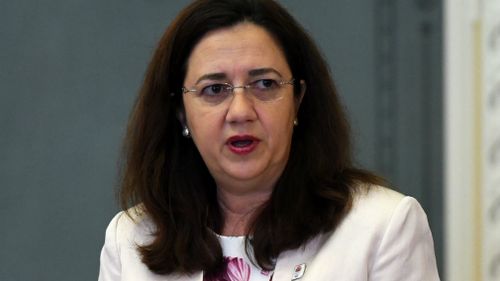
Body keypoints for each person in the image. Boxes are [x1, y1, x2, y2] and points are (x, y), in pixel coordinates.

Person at [98, 0, 440, 280]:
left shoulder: (383, 226)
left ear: (298, 100)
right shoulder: (131, 241)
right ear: (181, 113)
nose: (240, 111)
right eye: (214, 90)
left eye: (265, 84)